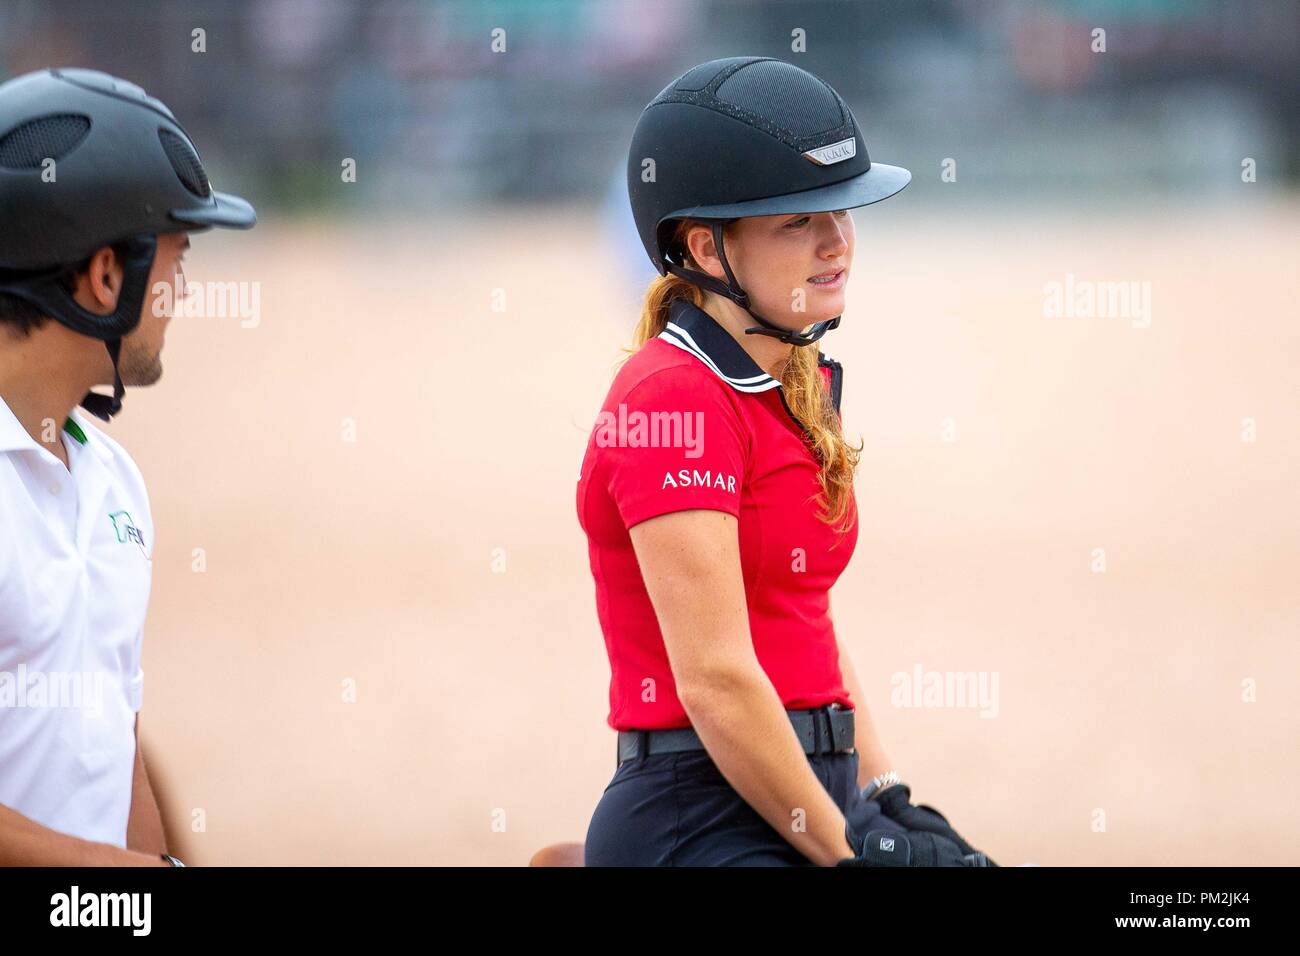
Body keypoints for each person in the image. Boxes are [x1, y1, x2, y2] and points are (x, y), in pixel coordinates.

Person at [575, 57, 994, 866]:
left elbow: (805, 622)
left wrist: (888, 800)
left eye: (840, 209)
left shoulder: (792, 385)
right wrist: (848, 853)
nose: (837, 239)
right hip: (699, 819)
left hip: (807, 788)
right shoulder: (672, 399)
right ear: (705, 245)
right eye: (796, 221)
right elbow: (717, 681)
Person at [0, 68, 256, 865]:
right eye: (175, 256)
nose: (180, 289)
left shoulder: (115, 481)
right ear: (106, 274)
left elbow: (117, 747)